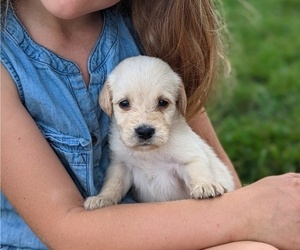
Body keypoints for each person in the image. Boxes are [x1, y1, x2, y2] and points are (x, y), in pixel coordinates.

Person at [1, 0, 299, 249]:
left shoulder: (151, 28)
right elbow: (65, 229)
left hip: (173, 233)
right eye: (125, 104)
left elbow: (212, 164)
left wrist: (253, 216)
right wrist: (246, 212)